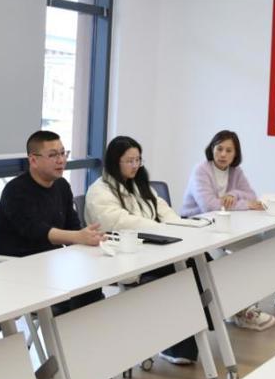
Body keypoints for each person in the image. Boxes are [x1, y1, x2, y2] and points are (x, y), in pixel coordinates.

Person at [0, 130, 123, 379]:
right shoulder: (16, 191)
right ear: (33, 159)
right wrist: (77, 237)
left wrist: (89, 236)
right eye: (53, 155)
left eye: (63, 153)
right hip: (16, 274)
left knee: (92, 298)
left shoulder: (61, 187)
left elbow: (72, 226)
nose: (61, 160)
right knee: (83, 304)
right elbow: (37, 231)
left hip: (52, 269)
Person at [85, 135, 204, 365]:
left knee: (198, 260)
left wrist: (182, 228)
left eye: (138, 160)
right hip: (122, 257)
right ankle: (183, 338)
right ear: (115, 162)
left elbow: (164, 211)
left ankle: (187, 337)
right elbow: (119, 222)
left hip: (151, 250)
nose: (135, 165)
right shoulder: (99, 191)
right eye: (129, 161)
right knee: (185, 271)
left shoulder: (141, 185)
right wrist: (161, 229)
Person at [179, 129, 275, 331]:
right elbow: (209, 206)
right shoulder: (201, 170)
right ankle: (239, 310)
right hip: (196, 228)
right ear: (212, 149)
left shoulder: (236, 172)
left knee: (257, 248)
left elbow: (251, 195)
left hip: (224, 226)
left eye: (228, 150)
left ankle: (241, 307)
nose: (223, 154)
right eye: (219, 148)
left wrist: (233, 193)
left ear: (235, 154)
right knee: (224, 262)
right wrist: (244, 204)